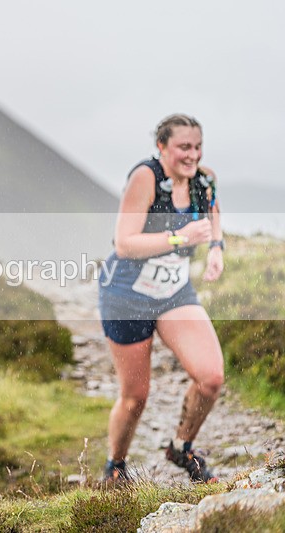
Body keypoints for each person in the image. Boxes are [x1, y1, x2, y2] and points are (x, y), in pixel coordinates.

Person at [98, 114, 224, 483]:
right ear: (162, 147)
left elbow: (213, 212)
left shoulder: (205, 179)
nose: (193, 154)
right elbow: (124, 243)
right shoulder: (145, 177)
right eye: (184, 147)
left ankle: (180, 448)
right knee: (136, 396)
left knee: (211, 377)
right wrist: (179, 238)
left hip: (173, 293)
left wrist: (216, 248)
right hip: (126, 295)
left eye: (198, 146)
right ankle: (115, 467)